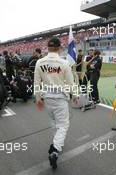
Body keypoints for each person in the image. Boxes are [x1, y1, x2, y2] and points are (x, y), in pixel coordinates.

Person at [34, 37, 77, 169]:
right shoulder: (63, 63)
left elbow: (36, 82)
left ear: (47, 47)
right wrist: (75, 94)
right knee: (63, 125)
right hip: (60, 98)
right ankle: (55, 148)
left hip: (47, 98)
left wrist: (38, 98)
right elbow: (70, 83)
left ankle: (56, 142)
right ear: (59, 48)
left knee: (53, 122)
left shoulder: (39, 62)